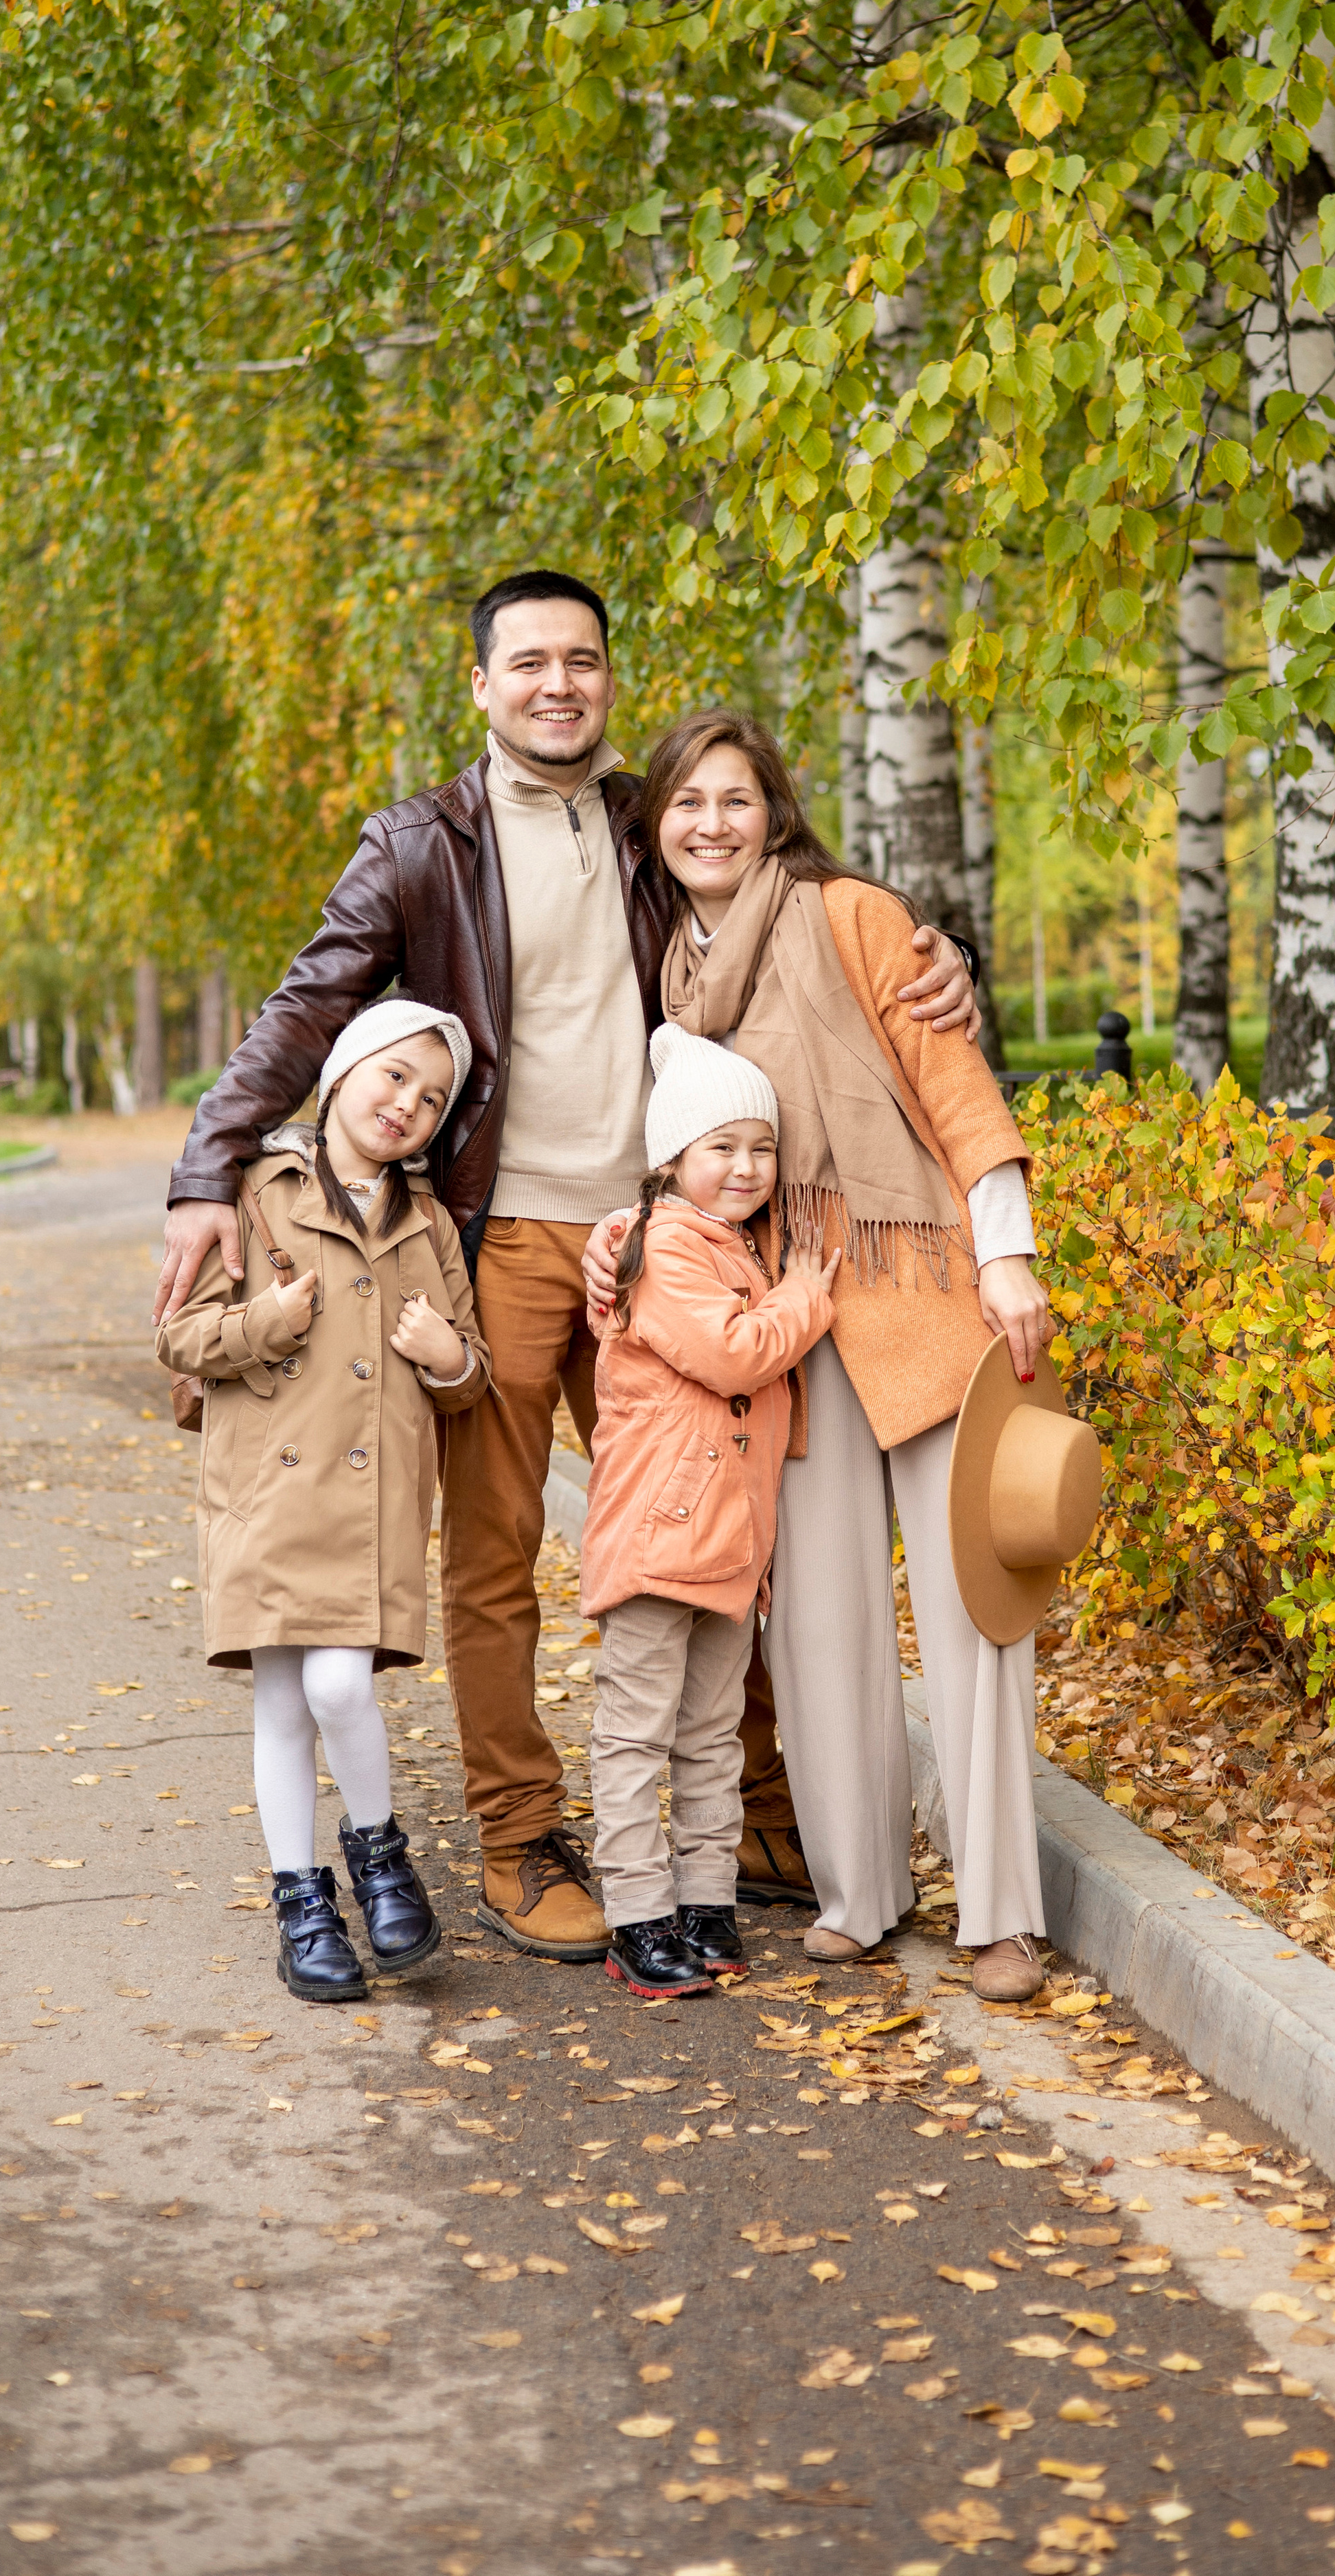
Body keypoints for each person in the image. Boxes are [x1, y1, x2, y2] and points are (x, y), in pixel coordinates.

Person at [153, 567, 981, 1960]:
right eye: (526, 661)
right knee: (496, 1555)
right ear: (479, 685)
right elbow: (306, 1005)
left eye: (580, 661)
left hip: (674, 1236)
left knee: (729, 1519)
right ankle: (517, 1834)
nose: (556, 683)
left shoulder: (644, 827)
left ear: (607, 679)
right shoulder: (420, 843)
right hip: (498, 1244)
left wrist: (923, 944)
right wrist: (201, 1173)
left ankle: (760, 1805)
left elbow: (783, 894)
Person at [584, 710, 1055, 2003]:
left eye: (736, 799)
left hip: (910, 1283)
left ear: (774, 808)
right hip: (770, 1318)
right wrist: (624, 1245)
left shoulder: (849, 914)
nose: (712, 824)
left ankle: (1000, 1912)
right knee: (818, 1621)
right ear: (658, 823)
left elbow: (949, 1075)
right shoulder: (670, 966)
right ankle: (860, 1890)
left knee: (970, 1616)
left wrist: (1007, 1248)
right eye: (687, 803)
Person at [156, 1000, 490, 2003]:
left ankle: (379, 1852)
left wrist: (448, 1361)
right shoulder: (253, 1193)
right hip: (266, 1490)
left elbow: (472, 1372)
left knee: (340, 1687)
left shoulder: (427, 1223)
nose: (408, 1107)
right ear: (341, 1075)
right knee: (282, 1704)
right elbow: (180, 1340)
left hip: (371, 1497)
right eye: (393, 1078)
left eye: (433, 1100)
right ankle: (303, 1898)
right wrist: (265, 1322)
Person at [580, 1024, 838, 2000]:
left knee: (711, 1731)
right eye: (720, 1148)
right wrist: (811, 1296)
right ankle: (637, 1914)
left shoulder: (729, 1244)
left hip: (729, 1544)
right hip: (660, 1534)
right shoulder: (660, 1246)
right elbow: (734, 1355)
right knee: (637, 1730)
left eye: (760, 1148)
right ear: (670, 1160)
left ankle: (704, 1899)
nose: (745, 1167)